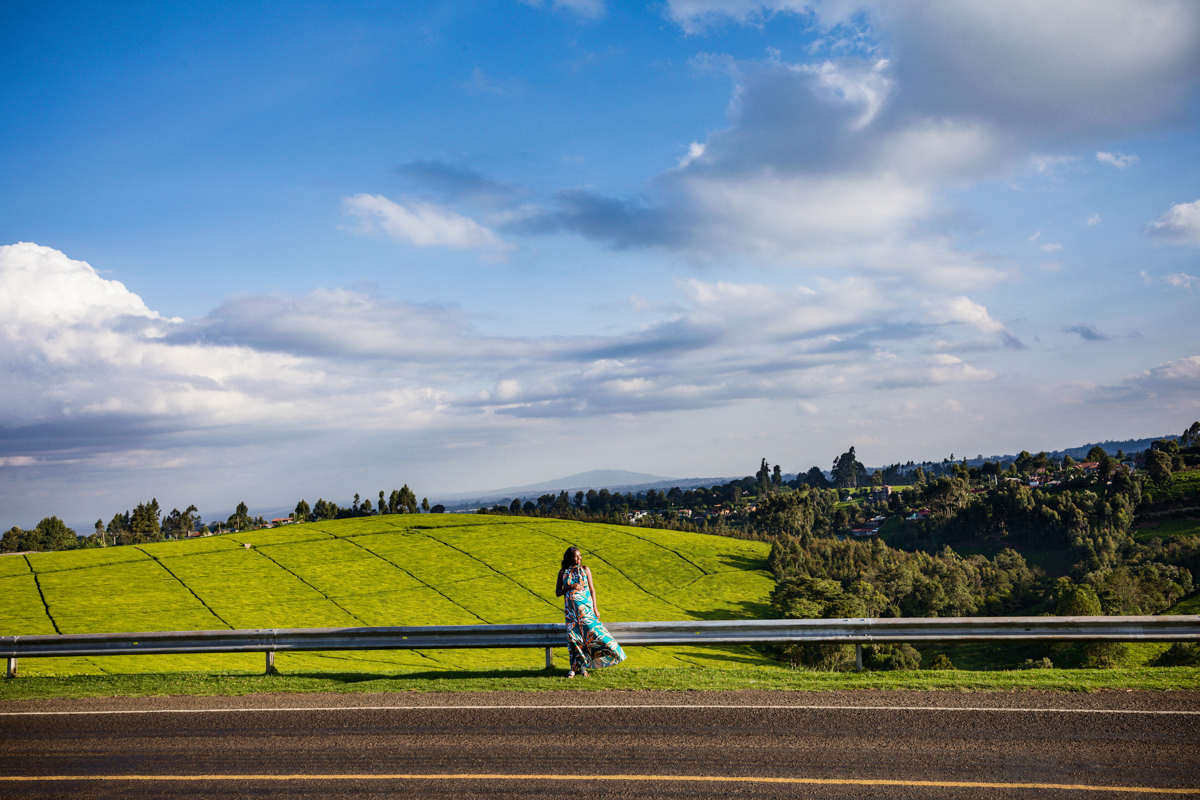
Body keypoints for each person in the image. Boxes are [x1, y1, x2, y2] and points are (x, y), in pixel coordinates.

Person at [555, 546, 626, 678]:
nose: (579, 558)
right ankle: (574, 668)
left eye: (580, 556)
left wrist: (595, 609)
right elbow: (557, 592)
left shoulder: (585, 570)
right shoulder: (563, 572)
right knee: (574, 640)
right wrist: (571, 586)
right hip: (571, 614)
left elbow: (592, 590)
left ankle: (585, 667)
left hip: (586, 613)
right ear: (570, 558)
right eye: (576, 556)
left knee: (592, 638)